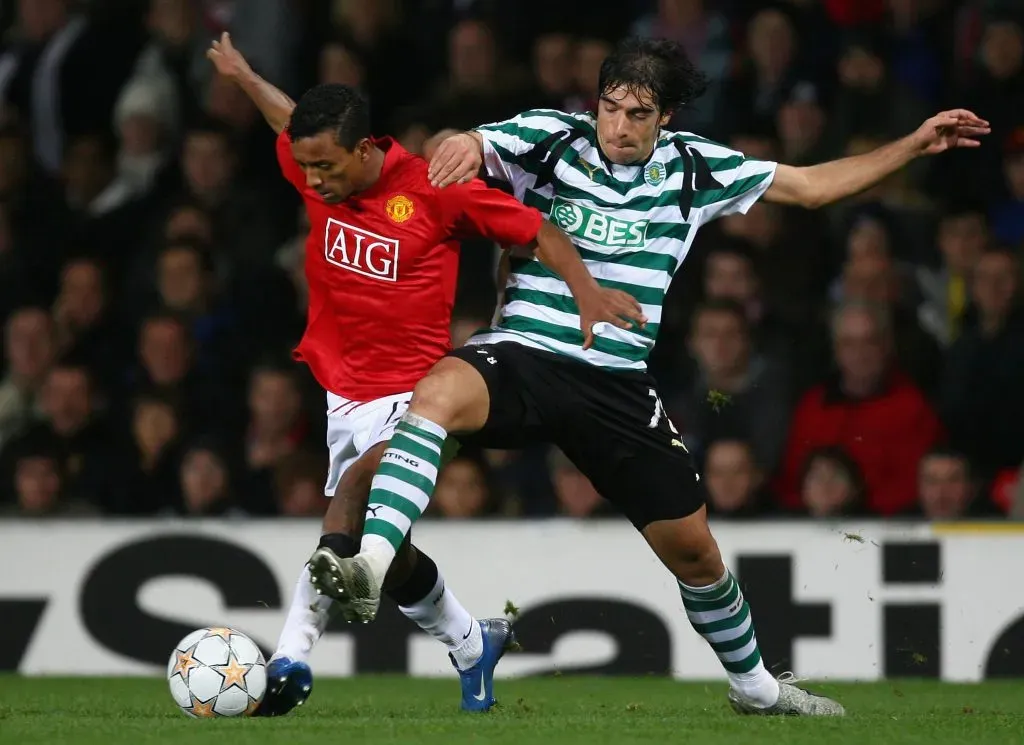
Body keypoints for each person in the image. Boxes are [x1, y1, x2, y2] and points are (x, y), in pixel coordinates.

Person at [311, 37, 989, 717]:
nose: (619, 126)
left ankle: (755, 688)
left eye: (638, 114)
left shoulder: (695, 169)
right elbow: (478, 145)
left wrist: (910, 145)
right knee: (436, 393)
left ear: (665, 118)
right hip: (521, 356)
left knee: (695, 554)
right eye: (610, 109)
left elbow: (810, 187)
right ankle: (371, 562)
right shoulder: (552, 137)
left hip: (614, 382)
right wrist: (460, 140)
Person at [205, 33, 641, 717]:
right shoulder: (312, 160)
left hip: (423, 396)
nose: (313, 180)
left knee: (352, 498)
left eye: (325, 166)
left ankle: (287, 663)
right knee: (397, 555)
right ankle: (472, 643)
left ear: (366, 147)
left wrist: (585, 291)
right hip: (342, 393)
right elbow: (284, 119)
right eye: (306, 165)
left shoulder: (434, 190)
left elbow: (537, 233)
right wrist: (243, 75)